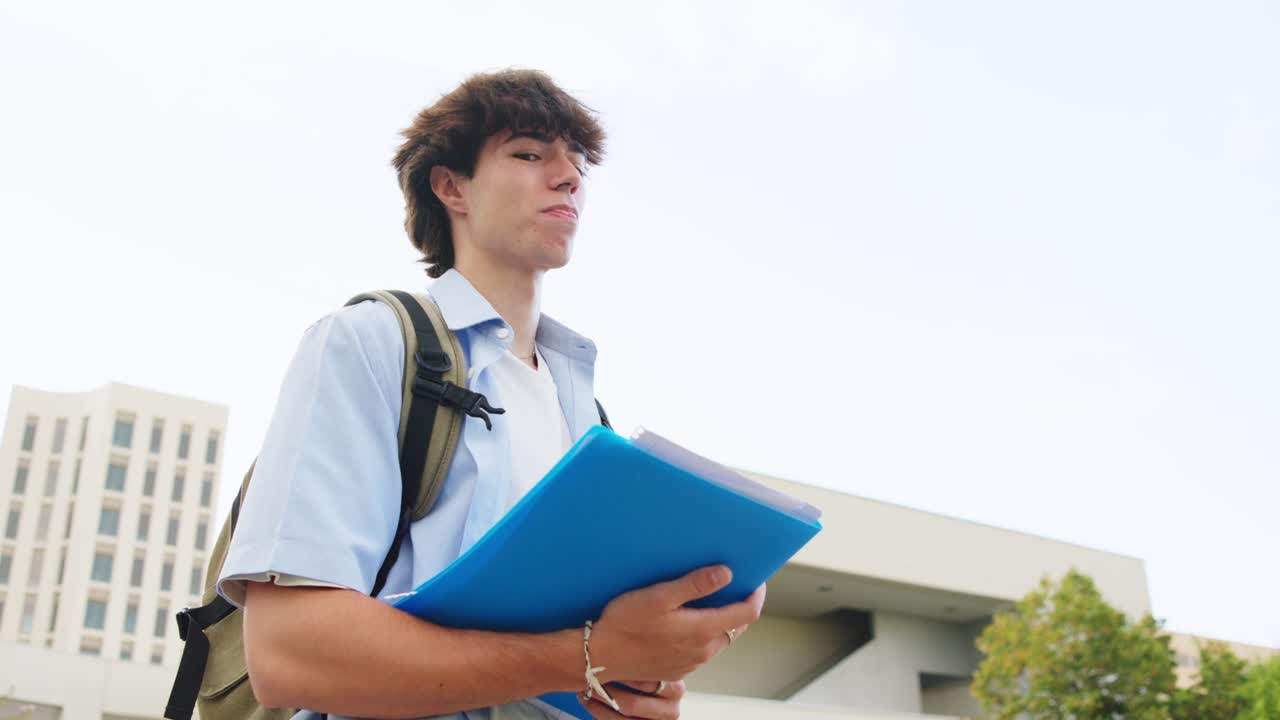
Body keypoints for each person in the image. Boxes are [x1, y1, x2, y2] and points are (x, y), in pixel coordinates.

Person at [216, 69, 765, 720]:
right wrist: (590, 656)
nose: (567, 177)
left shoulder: (588, 418)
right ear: (451, 187)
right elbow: (290, 655)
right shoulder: (370, 344)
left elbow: (581, 653)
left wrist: (631, 684)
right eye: (530, 154)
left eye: (578, 163)